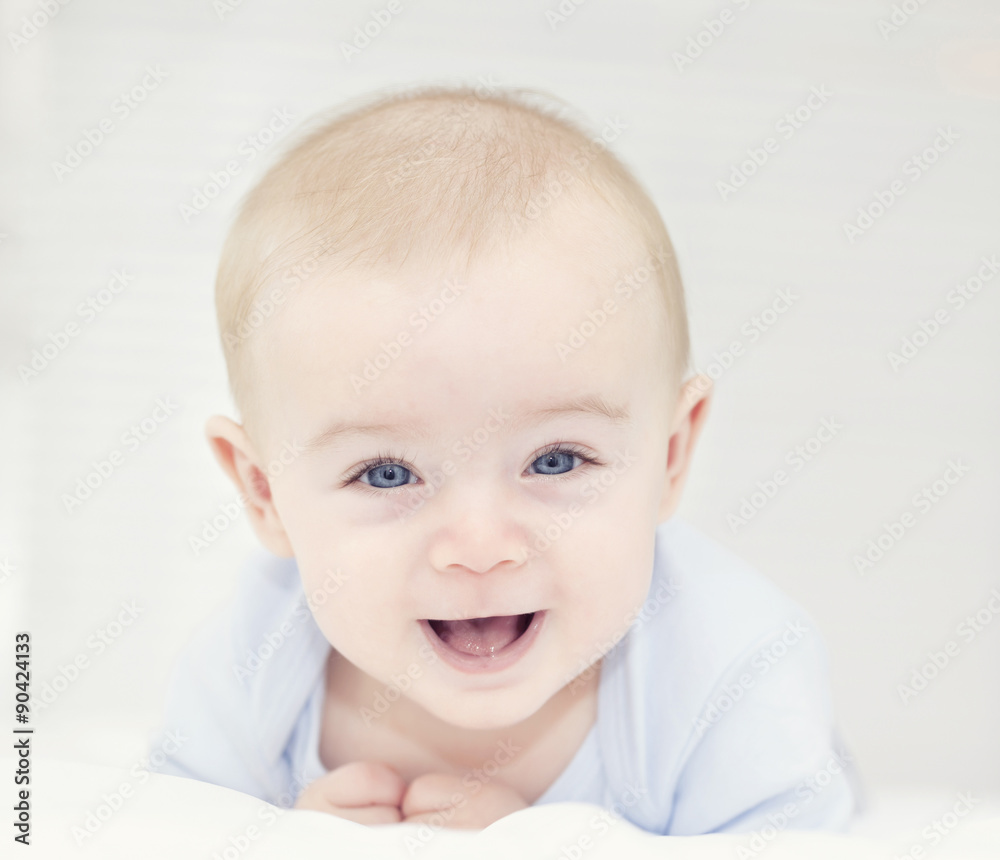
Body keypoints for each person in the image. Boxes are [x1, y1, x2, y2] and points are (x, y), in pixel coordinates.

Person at [149, 84, 858, 834]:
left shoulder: (730, 673)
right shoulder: (249, 663)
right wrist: (293, 839)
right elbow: (163, 829)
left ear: (671, 455)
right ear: (264, 493)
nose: (480, 549)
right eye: (388, 473)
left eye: (556, 461)